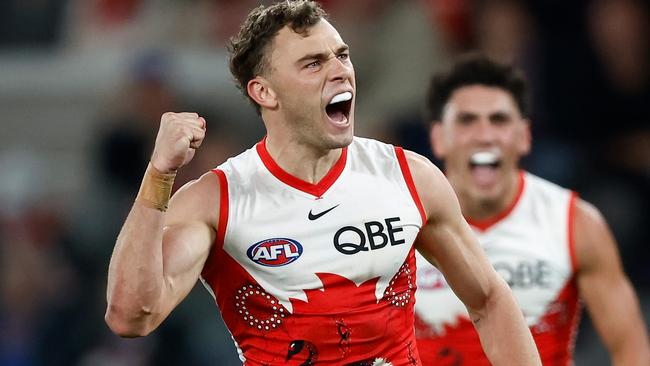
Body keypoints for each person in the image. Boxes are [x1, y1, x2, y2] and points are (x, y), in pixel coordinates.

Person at [104, 2, 541, 365]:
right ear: (265, 93)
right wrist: (159, 174)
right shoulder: (218, 200)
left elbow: (489, 301)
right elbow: (131, 316)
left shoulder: (410, 177)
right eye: (314, 63)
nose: (340, 72)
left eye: (342, 55)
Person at [414, 54, 650, 365]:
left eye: (499, 120)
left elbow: (629, 346)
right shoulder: (403, 220)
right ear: (437, 138)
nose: (485, 135)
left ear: (525, 136)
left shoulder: (576, 222)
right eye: (467, 120)